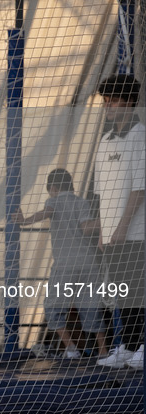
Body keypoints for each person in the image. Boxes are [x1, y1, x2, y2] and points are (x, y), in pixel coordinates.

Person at [13, 169, 108, 359]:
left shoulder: (54, 201)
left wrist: (25, 221)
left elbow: (46, 212)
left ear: (53, 188)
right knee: (91, 307)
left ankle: (71, 348)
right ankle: (104, 353)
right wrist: (107, 221)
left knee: (52, 307)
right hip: (89, 263)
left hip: (65, 265)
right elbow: (87, 227)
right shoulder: (82, 202)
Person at [94, 74, 145, 369]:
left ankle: (141, 346)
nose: (107, 107)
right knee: (120, 290)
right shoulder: (105, 140)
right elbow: (101, 193)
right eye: (105, 102)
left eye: (112, 102)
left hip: (135, 232)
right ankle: (127, 345)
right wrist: (104, 231)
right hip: (111, 234)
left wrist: (123, 226)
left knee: (137, 288)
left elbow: (140, 188)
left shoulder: (140, 136)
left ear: (128, 103)